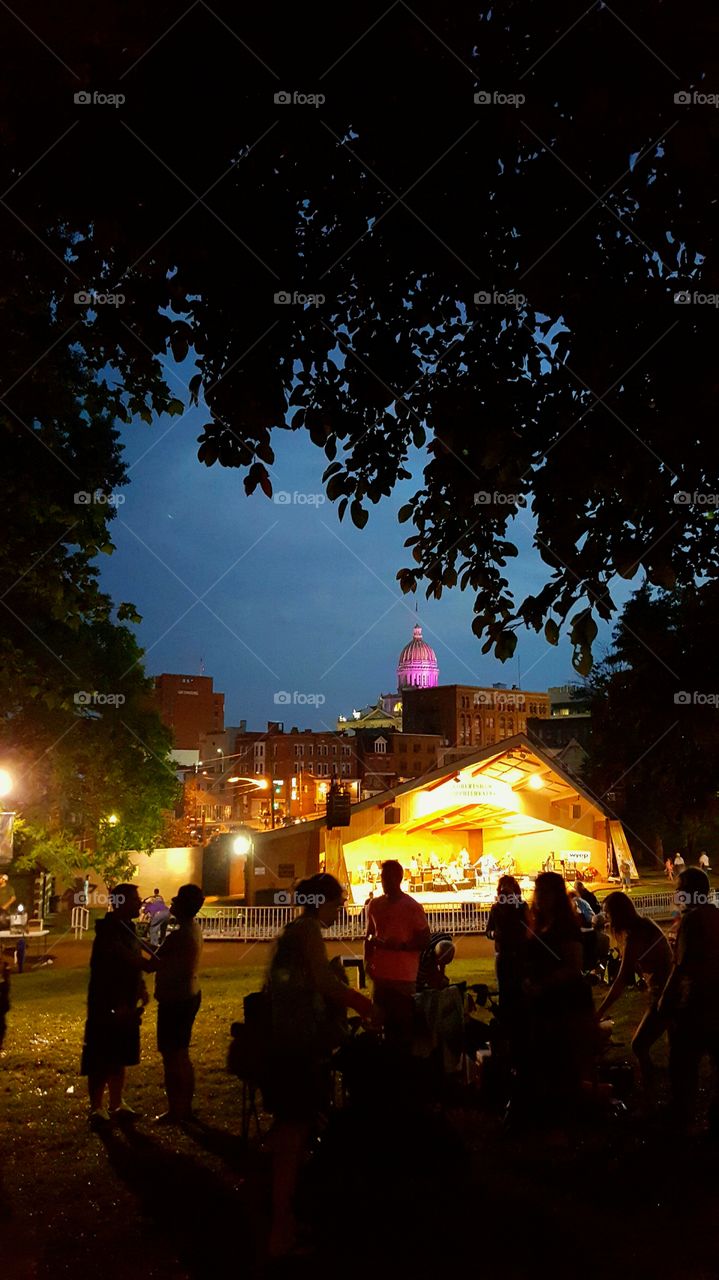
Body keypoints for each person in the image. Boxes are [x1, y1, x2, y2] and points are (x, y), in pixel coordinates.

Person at [266, 873, 376, 1257]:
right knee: (292, 1135)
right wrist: (364, 1005)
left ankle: (288, 1220)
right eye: (337, 902)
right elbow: (324, 982)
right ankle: (281, 1231)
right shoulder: (309, 930)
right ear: (321, 902)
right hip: (297, 1043)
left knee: (292, 1133)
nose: (340, 909)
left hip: (290, 1038)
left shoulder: (298, 929)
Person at [520, 872, 596, 1128]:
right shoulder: (539, 923)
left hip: (565, 1004)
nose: (539, 896)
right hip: (544, 1004)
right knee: (546, 1061)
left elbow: (573, 967)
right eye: (537, 891)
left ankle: (568, 1124)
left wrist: (542, 985)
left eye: (545, 891)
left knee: (564, 1063)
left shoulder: (565, 927)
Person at [80, 883, 150, 1129]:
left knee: (120, 1054)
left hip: (127, 1003)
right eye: (134, 898)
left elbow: (133, 962)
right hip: (107, 1003)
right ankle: (97, 1107)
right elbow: (126, 960)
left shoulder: (128, 928)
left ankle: (117, 1103)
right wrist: (158, 964)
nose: (140, 902)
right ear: (120, 903)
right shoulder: (109, 931)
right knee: (101, 1054)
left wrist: (140, 986)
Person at [658, 868, 719, 1137]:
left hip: (698, 1001)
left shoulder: (692, 921)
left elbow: (681, 967)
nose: (676, 893)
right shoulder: (716, 915)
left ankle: (682, 1116)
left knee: (683, 1062)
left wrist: (665, 998)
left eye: (680, 888)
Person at [596, 891, 673, 1088]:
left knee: (639, 1044)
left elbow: (621, 979)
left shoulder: (636, 935)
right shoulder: (644, 925)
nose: (607, 919)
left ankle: (651, 1089)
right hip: (668, 989)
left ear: (618, 914)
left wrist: (599, 1013)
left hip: (665, 993)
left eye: (608, 914)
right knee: (675, 1047)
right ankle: (671, 1091)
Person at [147, 883, 205, 1125]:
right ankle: (185, 1108)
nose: (172, 903)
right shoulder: (192, 929)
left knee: (173, 1056)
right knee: (181, 1054)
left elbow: (153, 963)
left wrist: (131, 948)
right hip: (189, 995)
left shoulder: (181, 934)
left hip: (176, 999)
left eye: (177, 900)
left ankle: (176, 1110)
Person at [365, 859, 431, 1048]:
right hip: (380, 977)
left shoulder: (412, 907)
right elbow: (369, 935)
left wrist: (401, 946)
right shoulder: (375, 905)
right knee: (378, 1027)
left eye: (387, 877)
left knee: (402, 1028)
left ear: (398, 878)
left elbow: (424, 939)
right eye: (382, 877)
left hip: (404, 978)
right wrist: (367, 960)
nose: (384, 881)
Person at [486, 875, 529, 1018]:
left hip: (520, 954)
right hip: (502, 954)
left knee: (520, 990)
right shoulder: (496, 908)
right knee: (504, 991)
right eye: (503, 887)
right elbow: (489, 930)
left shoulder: (522, 907)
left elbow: (528, 929)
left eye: (508, 887)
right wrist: (495, 934)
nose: (505, 890)